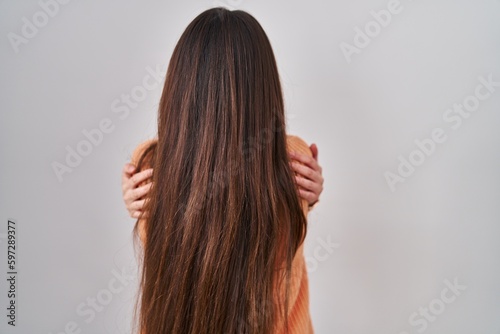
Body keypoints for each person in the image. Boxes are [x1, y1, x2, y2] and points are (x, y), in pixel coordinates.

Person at [120, 7, 324, 334]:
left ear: (182, 86)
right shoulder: (291, 158)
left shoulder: (151, 165)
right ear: (264, 87)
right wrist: (308, 197)